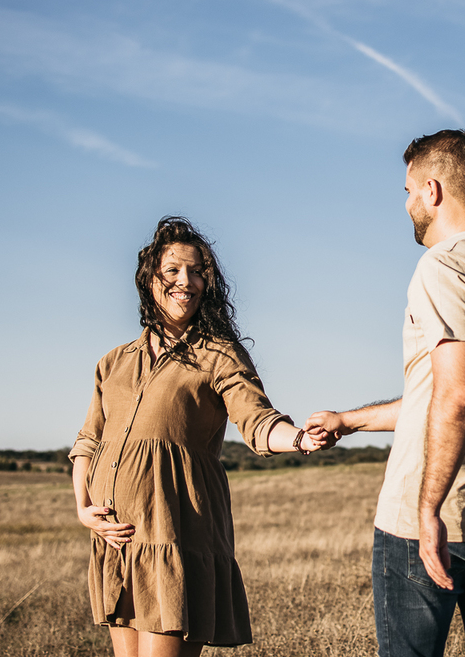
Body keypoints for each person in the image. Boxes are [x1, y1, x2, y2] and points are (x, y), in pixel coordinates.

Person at [307, 129, 465, 657]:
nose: (409, 203)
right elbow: (441, 396)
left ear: (433, 191)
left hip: (437, 522)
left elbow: (457, 396)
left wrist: (428, 511)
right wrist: (348, 421)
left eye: (409, 191)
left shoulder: (444, 266)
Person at [70, 216, 328, 657]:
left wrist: (301, 438)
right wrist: (83, 510)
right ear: (150, 278)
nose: (184, 282)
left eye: (195, 272)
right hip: (118, 541)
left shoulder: (218, 353)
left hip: (176, 536)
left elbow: (257, 420)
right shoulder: (113, 362)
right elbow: (88, 443)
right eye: (172, 271)